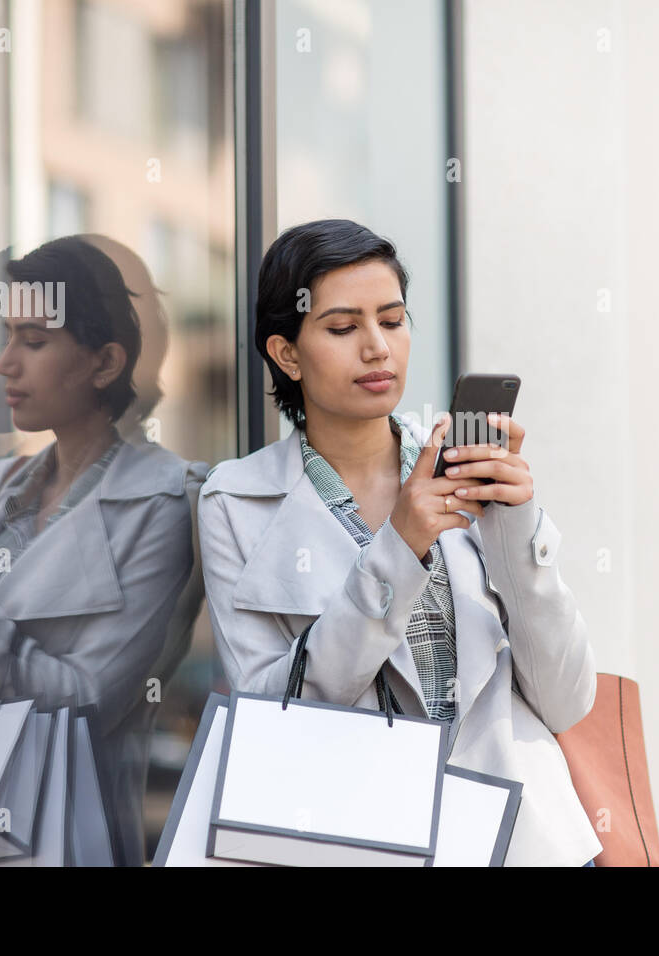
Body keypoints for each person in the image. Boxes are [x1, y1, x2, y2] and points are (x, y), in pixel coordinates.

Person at [197, 219, 603, 866]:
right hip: (361, 839)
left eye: (392, 319)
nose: (378, 347)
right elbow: (271, 712)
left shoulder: (460, 465)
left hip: (522, 841)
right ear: (287, 353)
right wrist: (400, 545)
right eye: (342, 327)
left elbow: (565, 698)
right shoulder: (237, 502)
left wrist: (515, 528)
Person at [0, 236, 207, 866]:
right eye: (8, 336)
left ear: (105, 363)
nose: (5, 364)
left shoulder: (162, 502)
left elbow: (82, 703)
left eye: (34, 341)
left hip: (56, 837)